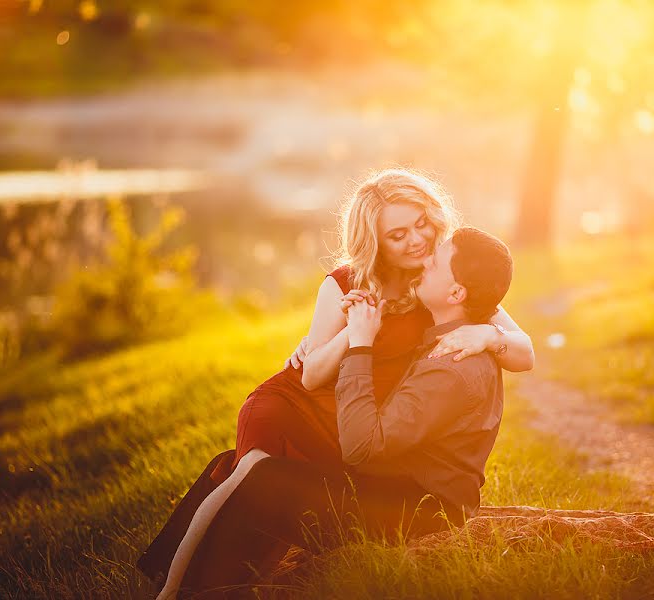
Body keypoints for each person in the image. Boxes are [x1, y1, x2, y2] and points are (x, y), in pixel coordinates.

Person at [137, 170, 534, 592]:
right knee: (251, 474)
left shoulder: (450, 281)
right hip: (307, 407)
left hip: (370, 424)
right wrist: (354, 333)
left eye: (422, 224)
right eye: (398, 235)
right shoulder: (357, 284)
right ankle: (178, 582)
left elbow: (523, 352)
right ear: (376, 241)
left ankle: (196, 582)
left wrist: (490, 335)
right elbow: (311, 376)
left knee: (264, 486)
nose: (419, 241)